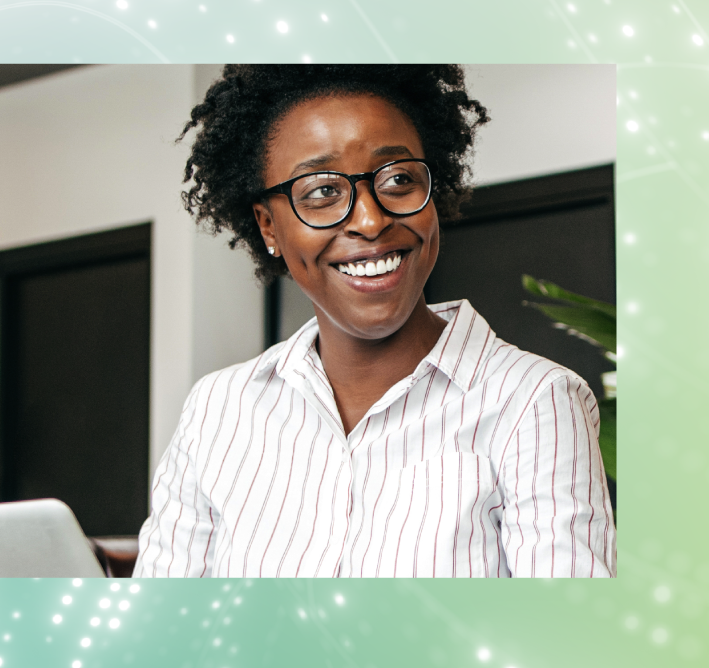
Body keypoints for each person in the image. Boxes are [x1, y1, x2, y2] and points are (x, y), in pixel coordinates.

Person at [135, 65, 615, 577]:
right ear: (268, 225)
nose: (369, 219)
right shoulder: (218, 408)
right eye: (322, 191)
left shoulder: (533, 402)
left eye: (399, 179)